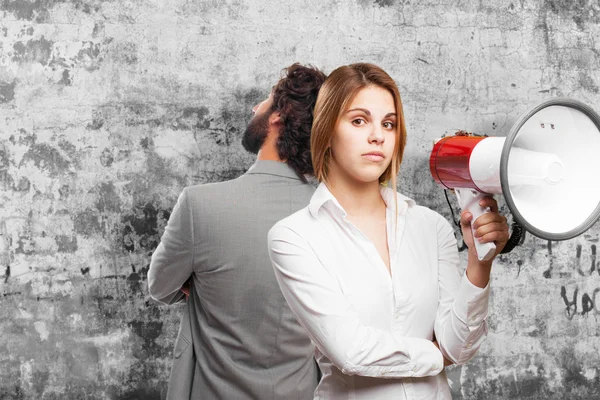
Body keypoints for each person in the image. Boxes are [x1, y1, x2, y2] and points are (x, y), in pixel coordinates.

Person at [267, 63, 509, 399]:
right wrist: (435, 355)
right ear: (326, 131)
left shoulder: (430, 226)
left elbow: (460, 347)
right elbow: (350, 351)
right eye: (358, 120)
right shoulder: (294, 237)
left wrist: (478, 263)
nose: (378, 135)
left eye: (389, 123)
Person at [148, 63, 327, 399]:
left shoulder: (199, 205)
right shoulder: (332, 214)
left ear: (279, 116)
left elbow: (160, 287)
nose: (254, 107)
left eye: (265, 99)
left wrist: (200, 283)